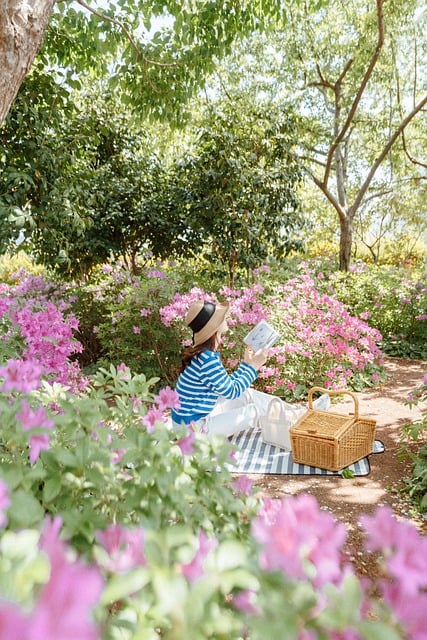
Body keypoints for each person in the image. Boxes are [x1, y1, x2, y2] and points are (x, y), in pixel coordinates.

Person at [171, 299, 303, 438]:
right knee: (253, 411)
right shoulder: (207, 359)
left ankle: (294, 413)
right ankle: (294, 422)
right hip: (192, 431)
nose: (225, 318)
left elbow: (228, 385)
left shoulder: (204, 354)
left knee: (247, 394)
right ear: (214, 328)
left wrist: (247, 364)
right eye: (220, 317)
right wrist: (254, 366)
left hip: (191, 421)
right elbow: (232, 392)